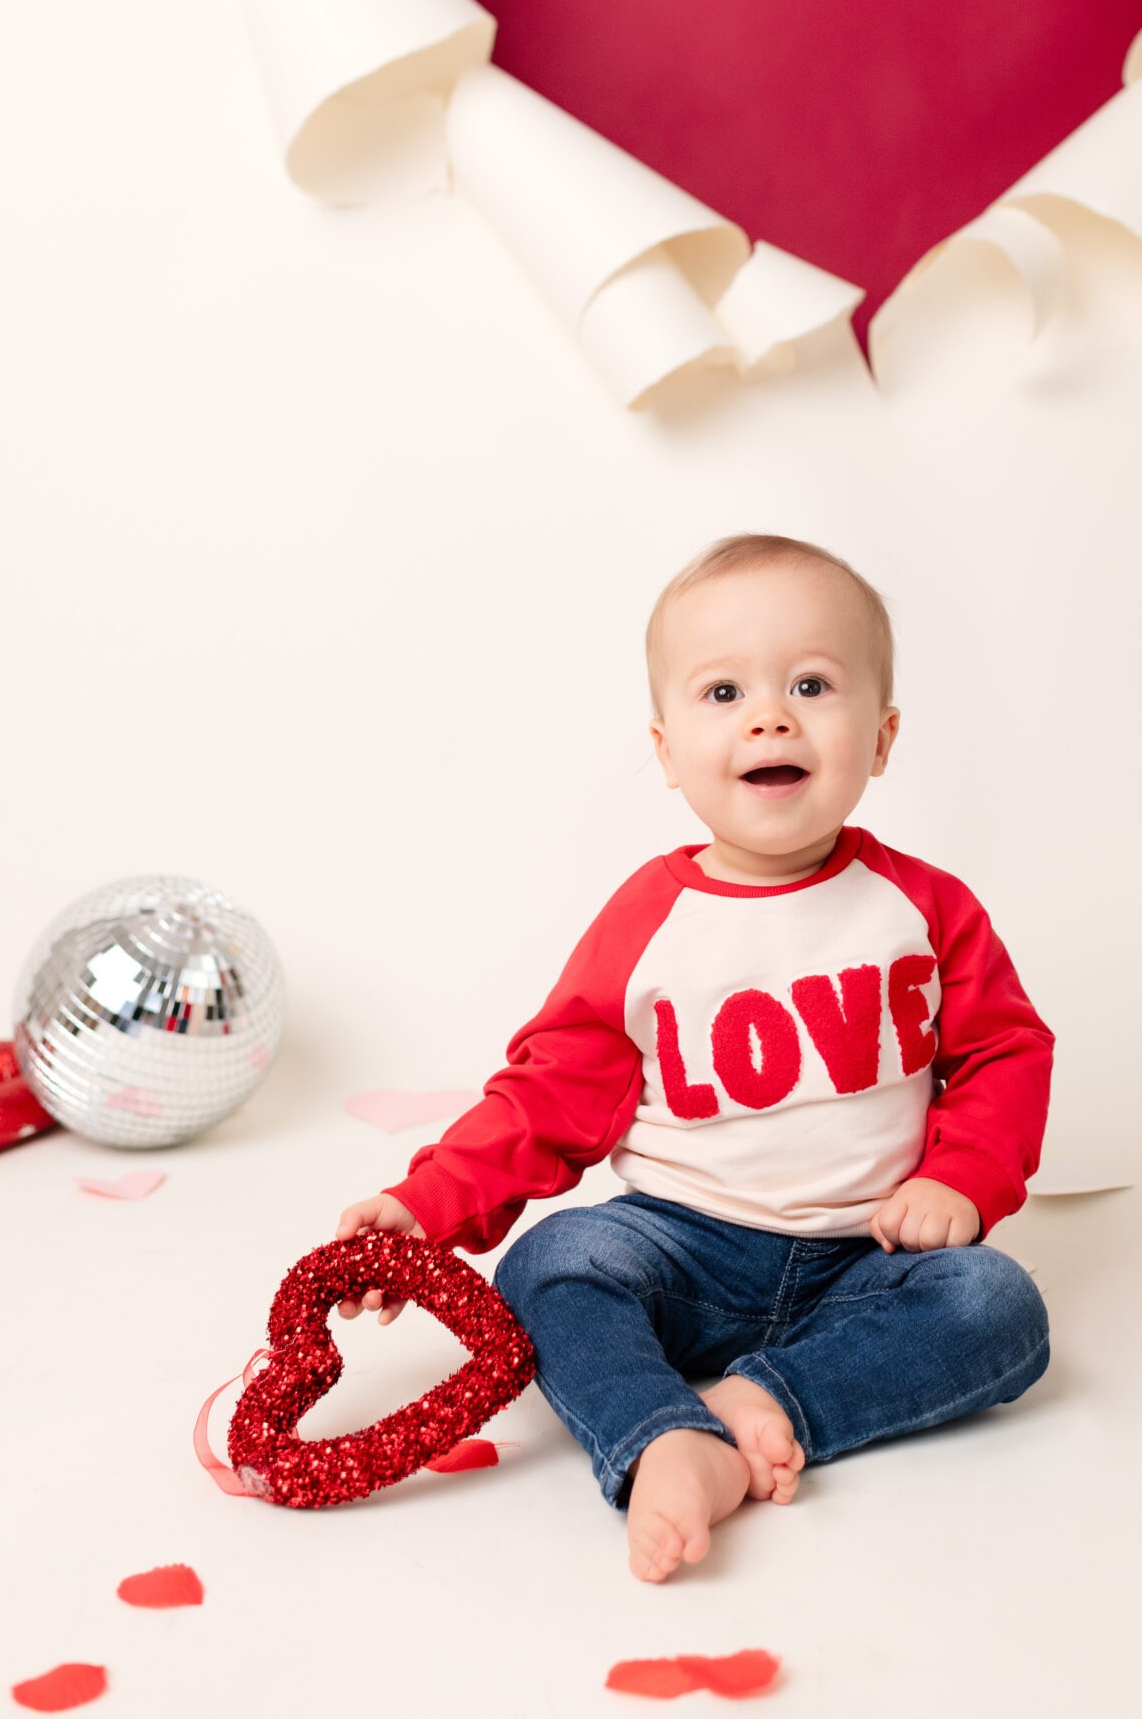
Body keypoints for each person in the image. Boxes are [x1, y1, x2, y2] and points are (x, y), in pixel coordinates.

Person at [335, 533, 1053, 1581]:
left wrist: (961, 1175)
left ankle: (761, 1401)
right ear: (667, 751)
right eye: (724, 693)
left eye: (811, 685)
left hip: (868, 1256)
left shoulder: (922, 907)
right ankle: (661, 1434)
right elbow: (547, 1094)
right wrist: (427, 1204)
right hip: (681, 1251)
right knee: (548, 1265)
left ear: (882, 736)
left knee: (997, 1307)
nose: (770, 717)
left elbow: (1002, 1052)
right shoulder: (649, 920)